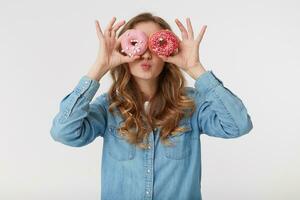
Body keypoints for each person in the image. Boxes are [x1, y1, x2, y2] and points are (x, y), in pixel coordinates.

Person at [50, 12, 253, 200]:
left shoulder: (191, 105)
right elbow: (64, 132)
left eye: (155, 45)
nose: (146, 55)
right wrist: (99, 66)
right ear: (124, 51)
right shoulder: (108, 107)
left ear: (169, 52)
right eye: (138, 43)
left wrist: (196, 69)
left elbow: (238, 125)